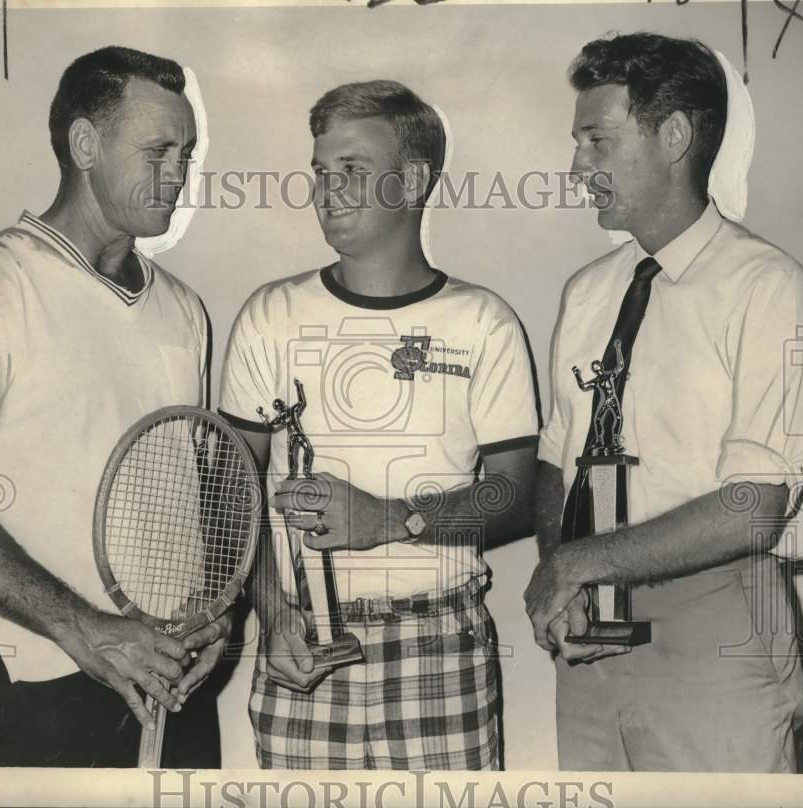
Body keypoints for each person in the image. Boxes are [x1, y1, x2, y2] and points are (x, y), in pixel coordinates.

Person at [0, 46, 228, 767]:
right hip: (35, 689)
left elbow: (188, 492)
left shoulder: (185, 311)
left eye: (187, 153)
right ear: (84, 145)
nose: (179, 174)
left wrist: (214, 616)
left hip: (171, 683)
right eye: (159, 150)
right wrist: (82, 627)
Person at [523, 33, 803, 772]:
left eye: (597, 139)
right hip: (591, 640)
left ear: (675, 136)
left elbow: (753, 507)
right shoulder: (588, 291)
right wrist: (560, 572)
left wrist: (580, 562)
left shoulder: (768, 288)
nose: (578, 167)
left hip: (717, 630)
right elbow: (555, 466)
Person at [219, 80, 539, 770]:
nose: (329, 191)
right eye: (322, 172)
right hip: (301, 646)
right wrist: (273, 614)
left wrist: (395, 519)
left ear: (413, 180)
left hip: (441, 646)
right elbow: (230, 492)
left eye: (353, 171)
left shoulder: (484, 322)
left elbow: (517, 494)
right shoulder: (269, 316)